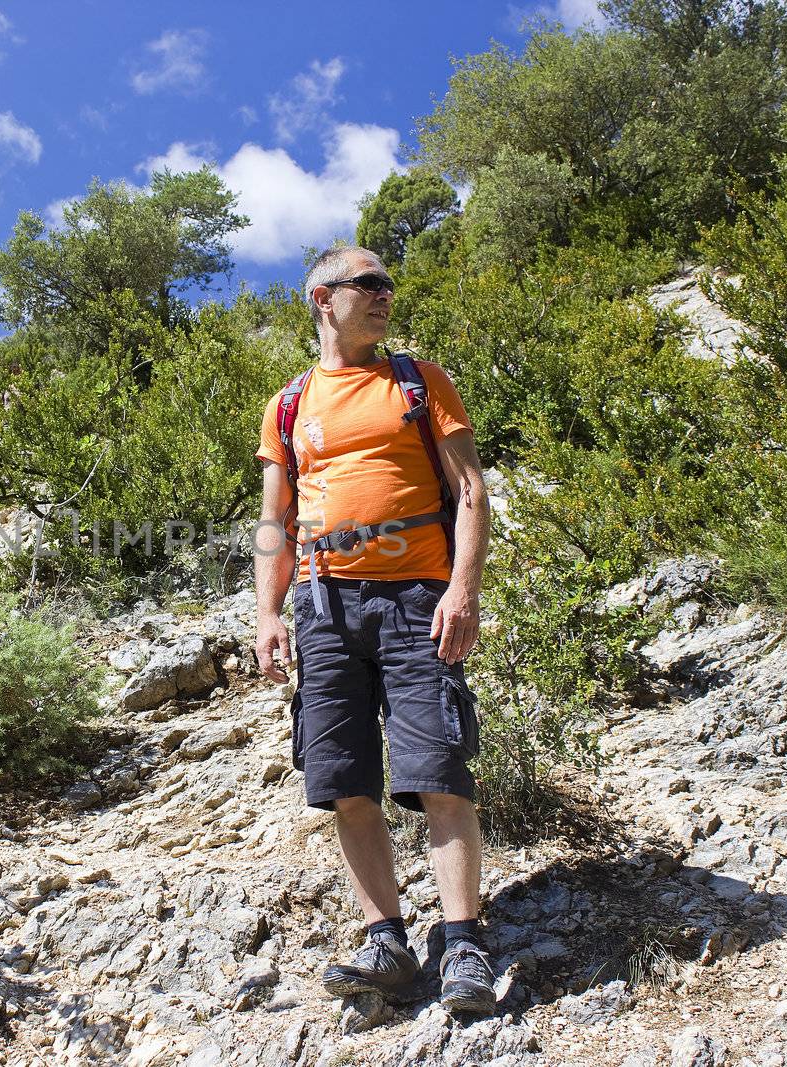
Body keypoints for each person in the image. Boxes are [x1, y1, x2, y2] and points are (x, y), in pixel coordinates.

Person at [252, 245, 495, 1015]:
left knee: (438, 772)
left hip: (418, 599)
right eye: (369, 283)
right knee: (344, 782)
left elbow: (471, 489)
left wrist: (462, 588)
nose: (386, 293)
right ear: (324, 300)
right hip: (324, 611)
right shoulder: (289, 403)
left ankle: (463, 947)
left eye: (388, 282)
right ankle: (386, 939)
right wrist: (266, 611)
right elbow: (275, 519)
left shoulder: (418, 382)